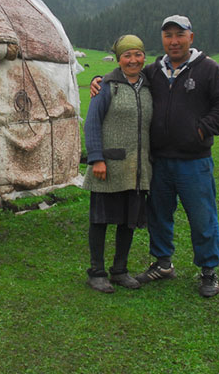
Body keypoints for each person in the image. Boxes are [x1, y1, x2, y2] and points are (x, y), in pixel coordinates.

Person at [90, 15, 219, 297]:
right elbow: (124, 77)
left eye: (179, 35)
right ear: (162, 40)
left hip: (194, 161)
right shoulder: (154, 71)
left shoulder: (208, 69)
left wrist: (202, 131)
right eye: (168, 35)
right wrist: (100, 80)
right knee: (159, 215)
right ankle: (163, 263)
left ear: (191, 37)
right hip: (159, 161)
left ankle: (208, 271)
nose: (174, 40)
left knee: (202, 216)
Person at [83, 35, 152, 293]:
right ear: (118, 59)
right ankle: (96, 272)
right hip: (108, 165)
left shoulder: (149, 86)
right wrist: (96, 158)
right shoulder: (106, 86)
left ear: (144, 56)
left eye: (138, 54)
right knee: (100, 219)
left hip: (137, 167)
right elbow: (91, 123)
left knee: (128, 220)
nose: (133, 60)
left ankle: (120, 270)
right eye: (127, 55)